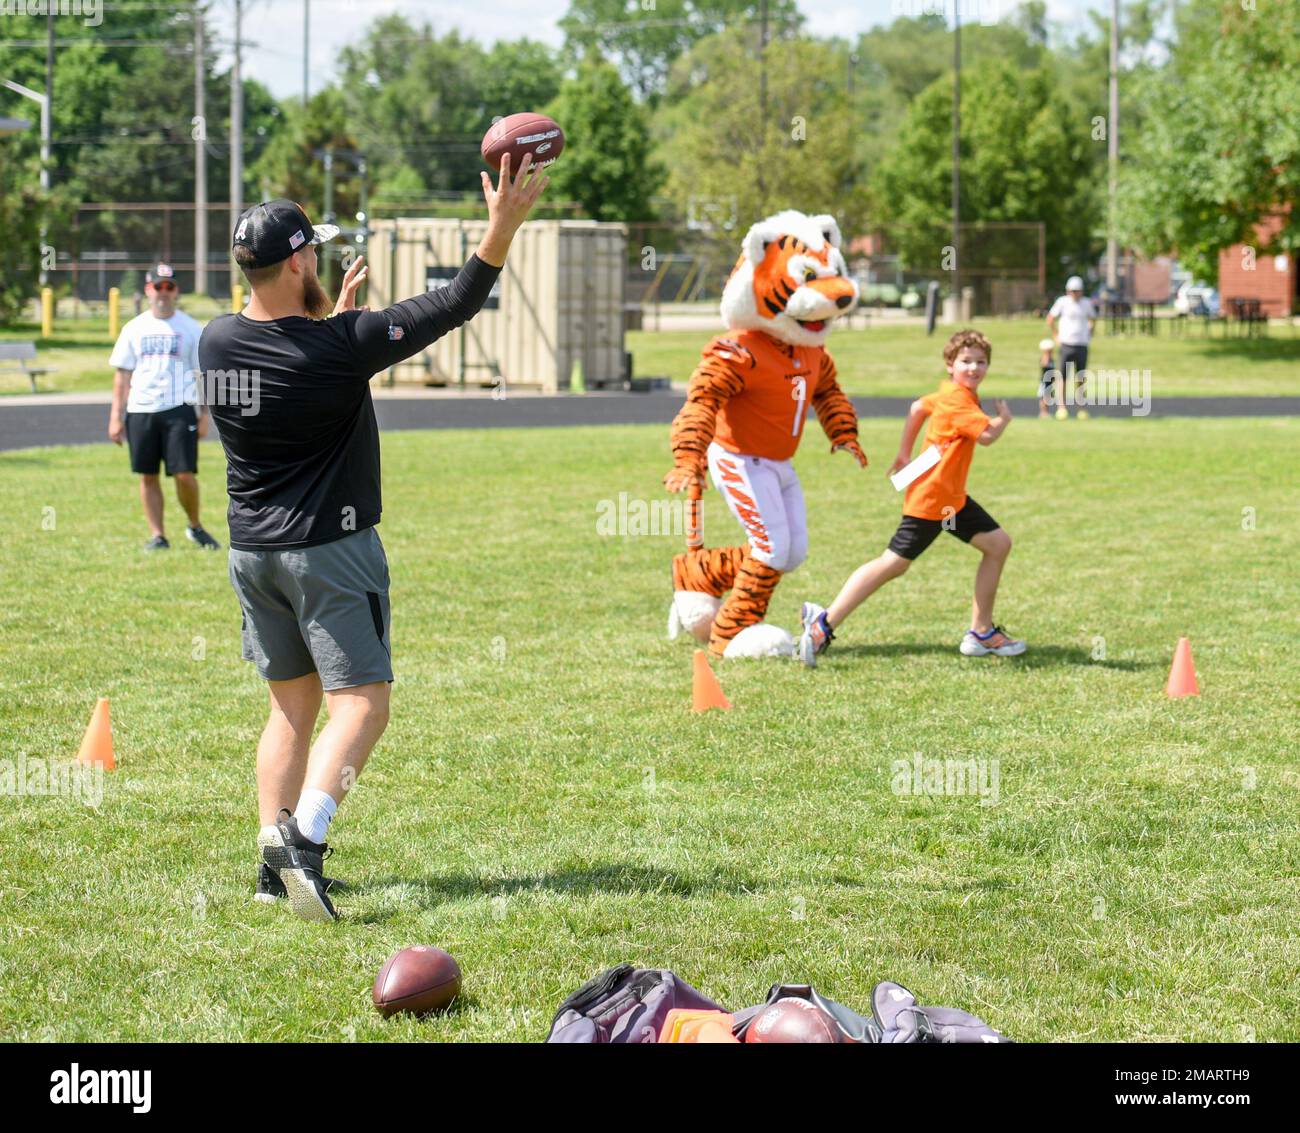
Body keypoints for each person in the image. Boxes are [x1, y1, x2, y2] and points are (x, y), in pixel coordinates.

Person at [199, 157, 548, 922]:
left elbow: (291, 354)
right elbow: (456, 301)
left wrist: (332, 331)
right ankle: (306, 844)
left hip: (251, 552)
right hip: (327, 548)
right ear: (296, 260)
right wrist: (502, 226)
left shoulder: (217, 342)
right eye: (311, 251)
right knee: (362, 704)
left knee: (290, 709)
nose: (317, 258)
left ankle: (269, 860)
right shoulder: (343, 347)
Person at [797, 328, 1024, 665]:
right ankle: (824, 623)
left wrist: (905, 455)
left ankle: (981, 633)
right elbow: (987, 436)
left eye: (980, 362)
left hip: (951, 500)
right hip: (935, 500)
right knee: (893, 564)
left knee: (997, 544)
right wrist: (1004, 419)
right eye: (966, 361)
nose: (974, 368)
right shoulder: (959, 400)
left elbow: (919, 406)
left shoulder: (951, 392)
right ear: (950, 364)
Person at [107, 262, 220, 551]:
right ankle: (158, 535)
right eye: (158, 286)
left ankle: (195, 526)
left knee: (184, 473)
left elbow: (200, 374)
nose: (164, 292)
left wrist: (204, 414)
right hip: (141, 409)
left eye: (169, 287)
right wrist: (115, 417)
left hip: (179, 408)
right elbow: (122, 375)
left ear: (176, 290)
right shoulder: (134, 328)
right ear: (148, 289)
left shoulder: (191, 328)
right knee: (148, 475)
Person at [1046, 275, 1095, 420]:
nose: (1075, 293)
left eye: (1077, 290)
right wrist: (1056, 336)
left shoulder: (1086, 304)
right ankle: (1062, 407)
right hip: (1066, 344)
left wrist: (1090, 333)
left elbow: (1093, 318)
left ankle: (1081, 407)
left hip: (1081, 344)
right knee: (1063, 377)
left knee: (1080, 377)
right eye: (1072, 290)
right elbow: (1050, 318)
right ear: (1068, 291)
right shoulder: (1062, 302)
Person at [1036, 336, 1058, 418]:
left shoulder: (1052, 360)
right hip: (1044, 382)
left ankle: (1046, 412)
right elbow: (1044, 364)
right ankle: (1043, 412)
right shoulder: (1044, 358)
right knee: (1043, 397)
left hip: (1050, 382)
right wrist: (1047, 354)